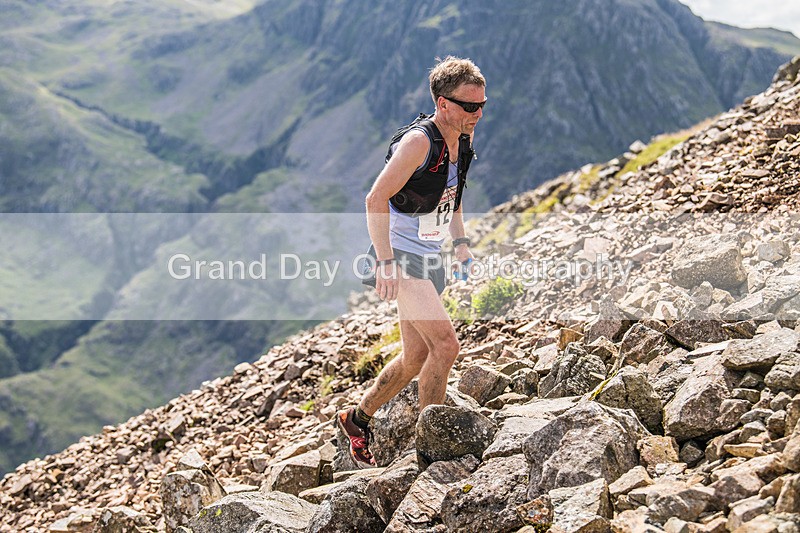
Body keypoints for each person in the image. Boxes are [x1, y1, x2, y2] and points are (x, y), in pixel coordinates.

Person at [338, 56, 486, 468]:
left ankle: (356, 418)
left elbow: (451, 197)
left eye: (483, 106)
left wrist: (460, 244)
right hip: (401, 259)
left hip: (430, 255)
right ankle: (430, 449)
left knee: (417, 357)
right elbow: (374, 198)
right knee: (447, 345)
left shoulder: (463, 139)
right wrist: (385, 262)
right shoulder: (419, 143)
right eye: (469, 107)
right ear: (442, 103)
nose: (477, 114)